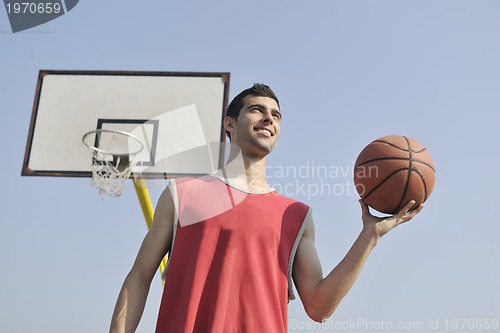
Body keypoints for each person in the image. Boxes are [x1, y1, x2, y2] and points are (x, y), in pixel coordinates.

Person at [109, 84, 424, 333]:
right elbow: (139, 277)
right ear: (229, 124)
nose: (269, 118)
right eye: (256, 110)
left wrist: (370, 235)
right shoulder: (183, 194)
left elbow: (319, 307)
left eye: (276, 114)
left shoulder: (296, 215)